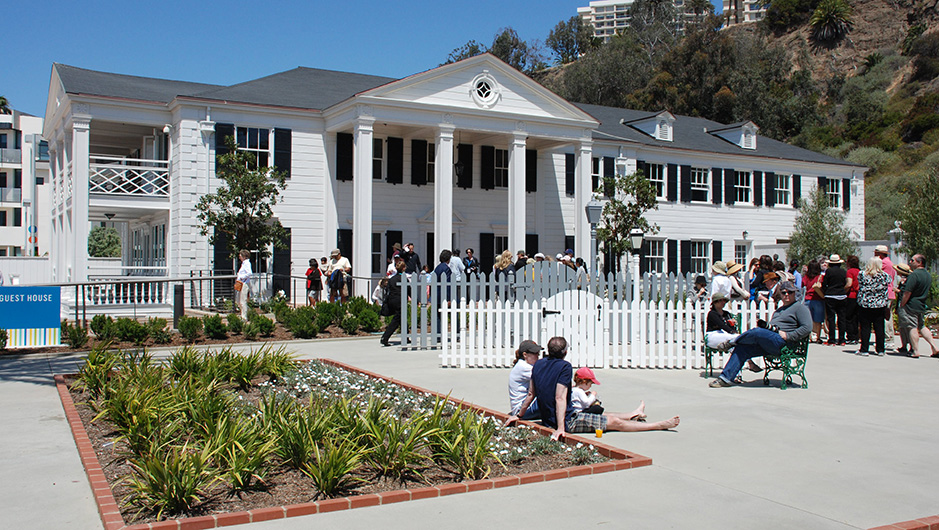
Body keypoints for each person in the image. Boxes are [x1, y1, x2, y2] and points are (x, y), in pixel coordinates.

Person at [505, 336, 679, 439]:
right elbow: (559, 398)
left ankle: (634, 414)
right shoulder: (564, 367)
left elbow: (530, 394)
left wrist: (518, 415)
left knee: (604, 415)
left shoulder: (539, 364)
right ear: (565, 352)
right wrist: (560, 428)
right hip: (567, 421)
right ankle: (658, 425)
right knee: (614, 423)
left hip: (559, 416)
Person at [709, 281, 812, 387]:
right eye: (784, 292)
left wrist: (788, 336)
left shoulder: (800, 308)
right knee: (742, 348)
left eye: (790, 292)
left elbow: (807, 327)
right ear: (780, 294)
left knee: (757, 332)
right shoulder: (779, 310)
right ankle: (725, 379)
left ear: (794, 293)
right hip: (771, 341)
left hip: (784, 343)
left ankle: (732, 342)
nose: (786, 295)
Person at [898, 254, 939, 358]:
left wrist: (903, 303)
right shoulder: (927, 275)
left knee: (912, 326)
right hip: (921, 304)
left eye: (912, 260)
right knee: (922, 326)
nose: (910, 262)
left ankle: (915, 350)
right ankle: (934, 347)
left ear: (919, 262)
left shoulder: (914, 275)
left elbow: (908, 291)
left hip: (911, 305)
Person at [571, 367, 647, 421]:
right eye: (590, 384)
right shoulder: (579, 391)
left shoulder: (574, 390)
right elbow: (587, 403)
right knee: (598, 409)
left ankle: (634, 415)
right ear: (584, 382)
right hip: (580, 414)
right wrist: (593, 395)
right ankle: (633, 415)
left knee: (602, 412)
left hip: (578, 412)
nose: (590, 386)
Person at [856, 257, 890, 356]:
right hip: (879, 304)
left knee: (865, 327)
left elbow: (860, 284)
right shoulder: (885, 276)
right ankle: (880, 349)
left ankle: (864, 349)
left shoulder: (862, 275)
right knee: (879, 327)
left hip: (865, 304)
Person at [508, 340, 543, 420]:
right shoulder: (524, 367)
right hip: (522, 409)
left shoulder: (524, 365)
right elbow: (545, 378)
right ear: (525, 355)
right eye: (535, 353)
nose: (537, 356)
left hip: (525, 406)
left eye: (538, 353)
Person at [874, 245, 897, 349]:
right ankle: (889, 337)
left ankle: (887, 338)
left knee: (885, 315)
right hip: (889, 291)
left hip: (885, 292)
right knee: (888, 315)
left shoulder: (883, 263)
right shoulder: (889, 262)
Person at [822, 254, 848, 346]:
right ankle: (842, 339)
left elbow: (824, 283)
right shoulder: (843, 272)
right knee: (841, 318)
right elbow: (845, 282)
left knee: (831, 318)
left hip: (830, 296)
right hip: (841, 295)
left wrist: (825, 292)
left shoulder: (828, 272)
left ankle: (832, 339)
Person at [380, 260, 406, 346]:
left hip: (392, 300)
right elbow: (409, 290)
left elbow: (387, 290)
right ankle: (385, 337)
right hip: (400, 301)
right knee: (397, 320)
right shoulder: (403, 278)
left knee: (402, 318)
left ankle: (406, 337)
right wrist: (416, 300)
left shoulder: (391, 279)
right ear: (403, 268)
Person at [802, 259, 826, 343]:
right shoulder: (820, 277)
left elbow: (802, 285)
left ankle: (809, 337)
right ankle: (818, 337)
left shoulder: (806, 277)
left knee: (808, 320)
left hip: (808, 299)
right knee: (818, 320)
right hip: (818, 299)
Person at [894, 263, 913, 354]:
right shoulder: (903, 281)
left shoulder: (907, 281)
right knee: (902, 326)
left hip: (904, 306)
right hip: (900, 305)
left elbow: (905, 293)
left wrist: (898, 291)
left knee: (907, 326)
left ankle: (911, 346)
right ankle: (904, 345)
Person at [844, 255, 861, 344]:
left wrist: (844, 290)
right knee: (856, 317)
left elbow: (849, 284)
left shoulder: (850, 272)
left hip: (851, 296)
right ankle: (856, 336)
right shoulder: (859, 271)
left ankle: (850, 337)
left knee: (848, 317)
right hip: (858, 296)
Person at [235, 249, 252, 319]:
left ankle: (244, 317)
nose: (239, 257)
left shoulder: (247, 264)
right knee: (239, 301)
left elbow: (249, 273)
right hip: (241, 284)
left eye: (240, 256)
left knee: (243, 301)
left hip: (244, 284)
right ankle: (246, 313)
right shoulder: (244, 264)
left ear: (244, 256)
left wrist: (241, 277)